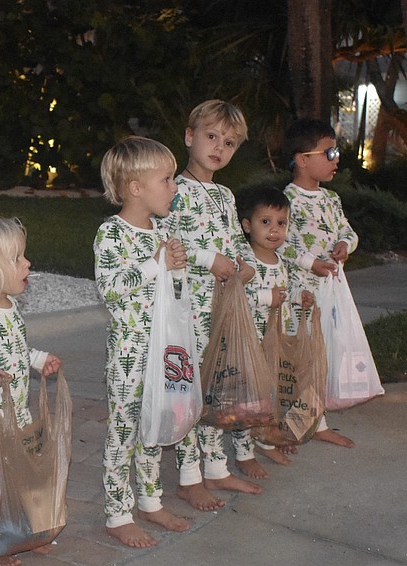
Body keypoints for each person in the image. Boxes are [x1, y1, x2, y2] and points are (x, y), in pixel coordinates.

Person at [163, 99, 262, 512]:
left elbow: (239, 245)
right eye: (211, 136)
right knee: (192, 389)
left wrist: (248, 267)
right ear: (189, 137)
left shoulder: (224, 195)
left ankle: (217, 466)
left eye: (230, 142)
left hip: (222, 309)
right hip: (190, 309)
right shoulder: (173, 188)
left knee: (219, 386)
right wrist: (209, 260)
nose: (219, 147)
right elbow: (167, 238)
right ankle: (189, 476)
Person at [94, 135, 191, 548]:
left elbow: (175, 294)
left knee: (156, 423)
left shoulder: (164, 232)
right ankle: (118, 513)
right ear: (135, 188)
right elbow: (111, 289)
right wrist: (157, 264)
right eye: (166, 179)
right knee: (124, 430)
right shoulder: (111, 235)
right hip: (131, 355)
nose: (174, 187)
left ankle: (151, 499)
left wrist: (179, 269)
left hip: (163, 349)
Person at [0, 216, 62, 566]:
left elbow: (15, 348)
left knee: (19, 478)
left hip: (16, 413)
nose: (27, 263)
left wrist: (37, 359)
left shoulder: (9, 306)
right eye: (17, 258)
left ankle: (21, 536)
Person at [278, 117, 357, 448]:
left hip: (330, 291)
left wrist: (346, 246)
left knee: (323, 354)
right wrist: (312, 263)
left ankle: (316, 421)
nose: (336, 158)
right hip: (302, 292)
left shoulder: (331, 200)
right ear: (302, 159)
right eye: (329, 152)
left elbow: (347, 230)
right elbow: (280, 241)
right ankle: (293, 425)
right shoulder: (287, 200)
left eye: (336, 151)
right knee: (303, 357)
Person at [238, 187, 315, 458]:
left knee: (268, 396)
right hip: (251, 340)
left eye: (281, 223)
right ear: (247, 226)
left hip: (274, 341)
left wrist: (299, 297)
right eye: (265, 222)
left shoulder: (281, 261)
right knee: (247, 400)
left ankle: (266, 441)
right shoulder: (245, 261)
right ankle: (244, 453)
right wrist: (264, 296)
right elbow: (235, 297)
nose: (274, 230)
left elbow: (285, 289)